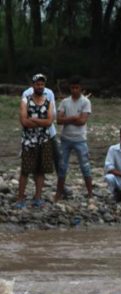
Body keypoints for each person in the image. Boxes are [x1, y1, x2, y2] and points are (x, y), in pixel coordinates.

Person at [15, 74, 56, 209]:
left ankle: (37, 198)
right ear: (33, 85)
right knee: (25, 170)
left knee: (40, 170)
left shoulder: (48, 101)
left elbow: (50, 122)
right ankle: (20, 198)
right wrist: (41, 122)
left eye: (42, 84)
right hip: (28, 141)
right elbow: (24, 121)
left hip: (44, 141)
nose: (40, 86)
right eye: (38, 84)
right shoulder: (25, 100)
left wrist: (34, 120)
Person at [56, 75, 93, 200]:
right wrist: (73, 118)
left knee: (85, 166)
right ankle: (59, 192)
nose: (74, 90)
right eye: (72, 88)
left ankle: (90, 193)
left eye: (77, 88)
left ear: (81, 88)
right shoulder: (65, 102)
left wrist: (68, 119)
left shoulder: (86, 102)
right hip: (65, 139)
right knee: (62, 166)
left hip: (80, 139)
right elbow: (59, 120)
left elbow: (82, 121)